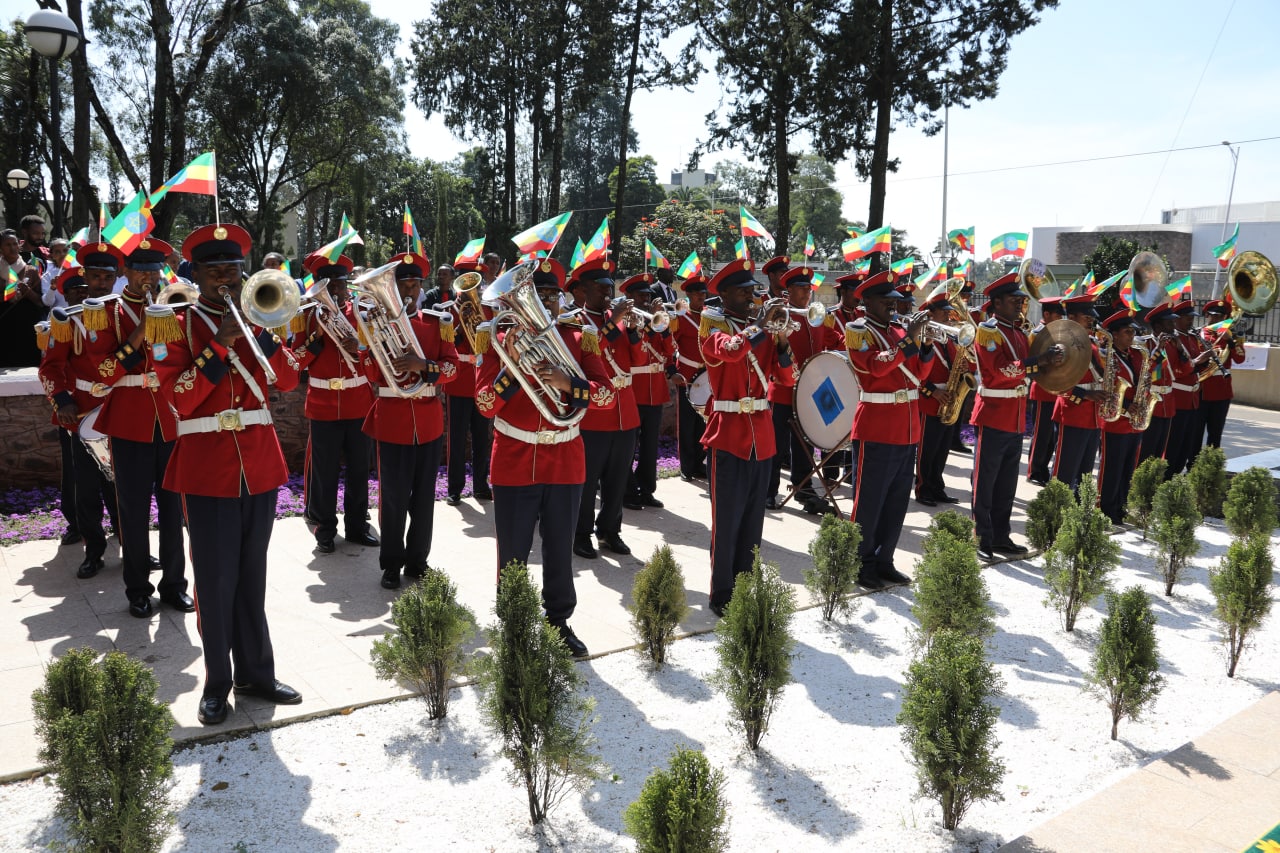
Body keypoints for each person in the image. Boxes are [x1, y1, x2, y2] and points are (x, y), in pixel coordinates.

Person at [154, 223, 305, 726]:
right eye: (215, 269)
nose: (226, 277)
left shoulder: (260, 322)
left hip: (257, 466)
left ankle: (256, 674)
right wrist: (219, 343)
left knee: (252, 579)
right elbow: (178, 398)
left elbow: (286, 380)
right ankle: (217, 681)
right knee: (216, 582)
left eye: (234, 269)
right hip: (206, 470)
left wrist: (262, 331)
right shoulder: (176, 326)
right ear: (195, 273)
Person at [474, 257, 616, 657]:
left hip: (565, 458)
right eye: (539, 295)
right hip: (515, 457)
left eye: (553, 296)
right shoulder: (495, 339)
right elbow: (485, 404)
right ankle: (514, 625)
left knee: (559, 548)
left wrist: (568, 383)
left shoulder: (578, 337)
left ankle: (558, 622)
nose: (548, 303)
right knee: (513, 552)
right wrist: (513, 367)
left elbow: (606, 396)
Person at [95, 237, 193, 617]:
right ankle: (137, 589)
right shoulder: (107, 313)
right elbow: (102, 372)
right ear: (126, 272)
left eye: (155, 270)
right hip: (129, 421)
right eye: (141, 270)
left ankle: (174, 585)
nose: (149, 278)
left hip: (169, 420)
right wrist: (140, 333)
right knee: (133, 512)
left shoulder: (176, 307)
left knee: (173, 510)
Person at [699, 259, 795, 615]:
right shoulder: (712, 325)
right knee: (727, 523)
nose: (750, 295)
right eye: (742, 291)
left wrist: (782, 342)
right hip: (728, 432)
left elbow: (786, 379)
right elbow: (731, 351)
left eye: (751, 290)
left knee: (753, 522)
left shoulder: (765, 331)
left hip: (762, 435)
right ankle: (721, 594)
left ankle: (745, 587)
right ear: (723, 294)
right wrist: (759, 326)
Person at [362, 252, 459, 589]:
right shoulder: (377, 325)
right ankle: (391, 564)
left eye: (413, 283)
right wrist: (374, 347)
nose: (408, 289)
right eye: (401, 283)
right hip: (393, 421)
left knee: (423, 499)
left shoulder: (437, 323)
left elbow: (451, 368)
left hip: (429, 421)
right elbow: (371, 373)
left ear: (421, 286)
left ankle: (418, 562)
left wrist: (423, 366)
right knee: (393, 498)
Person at [39, 252, 124, 578]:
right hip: (84, 413)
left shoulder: (124, 315)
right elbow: (50, 368)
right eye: (95, 277)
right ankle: (94, 552)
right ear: (86, 276)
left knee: (125, 487)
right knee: (86, 488)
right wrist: (63, 401)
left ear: (115, 277)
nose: (101, 283)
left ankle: (132, 547)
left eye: (107, 277)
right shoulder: (68, 319)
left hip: (121, 411)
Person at [845, 270, 931, 588]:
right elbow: (877, 367)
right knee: (869, 501)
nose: (892, 307)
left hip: (907, 426)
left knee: (896, 501)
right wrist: (910, 340)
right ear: (866, 301)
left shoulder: (898, 330)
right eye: (885, 301)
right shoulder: (858, 329)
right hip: (877, 424)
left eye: (894, 301)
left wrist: (925, 347)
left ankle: (884, 560)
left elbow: (920, 373)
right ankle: (860, 563)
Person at [970, 273, 1063, 562]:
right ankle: (980, 538)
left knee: (1007, 483)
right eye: (1015, 301)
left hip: (1015, 415)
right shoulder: (989, 332)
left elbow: (1027, 372)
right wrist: (1037, 361)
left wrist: (1050, 361)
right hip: (994, 413)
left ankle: (1000, 535)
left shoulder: (1019, 332)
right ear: (996, 302)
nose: (1021, 306)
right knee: (985, 482)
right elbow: (1001, 372)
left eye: (1023, 301)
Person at [293, 252, 379, 554]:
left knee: (358, 469)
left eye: (340, 285)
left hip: (357, 401)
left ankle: (357, 526)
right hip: (323, 403)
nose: (335, 291)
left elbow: (377, 356)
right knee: (324, 472)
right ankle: (324, 529)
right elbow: (296, 360)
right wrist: (315, 339)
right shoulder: (304, 314)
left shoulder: (362, 312)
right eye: (328, 286)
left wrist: (360, 347)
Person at [569, 258, 642, 559]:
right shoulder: (576, 322)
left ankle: (610, 530)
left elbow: (637, 361)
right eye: (599, 289)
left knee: (617, 478)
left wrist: (635, 331)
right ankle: (581, 532)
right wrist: (614, 324)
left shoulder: (621, 320)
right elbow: (591, 350)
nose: (606, 294)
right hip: (596, 415)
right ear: (583, 291)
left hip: (625, 410)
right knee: (588, 481)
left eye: (608, 288)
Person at [766, 266, 842, 514]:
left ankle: (805, 490)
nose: (807, 293)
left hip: (809, 392)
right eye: (801, 288)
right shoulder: (781, 315)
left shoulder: (816, 316)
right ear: (788, 291)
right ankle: (768, 492)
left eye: (808, 288)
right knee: (775, 446)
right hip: (783, 390)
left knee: (805, 446)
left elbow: (835, 339)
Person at [428, 261, 493, 505]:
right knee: (456, 438)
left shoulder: (487, 310)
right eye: (466, 283)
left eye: (474, 283)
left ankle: (480, 485)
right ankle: (454, 488)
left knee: (481, 437)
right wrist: (459, 326)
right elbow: (444, 346)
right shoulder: (448, 311)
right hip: (458, 380)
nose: (470, 290)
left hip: (481, 377)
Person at [622, 274, 674, 510]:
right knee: (628, 446)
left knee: (650, 445)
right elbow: (636, 353)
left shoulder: (656, 321)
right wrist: (646, 328)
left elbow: (670, 350)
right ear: (630, 297)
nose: (646, 300)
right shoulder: (625, 322)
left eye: (648, 296)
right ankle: (628, 490)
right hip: (634, 389)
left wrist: (662, 327)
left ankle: (647, 490)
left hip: (655, 390)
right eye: (641, 296)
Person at [914, 287, 966, 506]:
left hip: (948, 398)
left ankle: (937, 487)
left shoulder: (948, 338)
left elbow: (955, 365)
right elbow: (915, 373)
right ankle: (923, 488)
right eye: (943, 312)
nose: (948, 314)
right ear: (930, 314)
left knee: (942, 449)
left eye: (948, 311)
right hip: (930, 399)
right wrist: (933, 392)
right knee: (927, 449)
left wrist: (963, 367)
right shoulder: (920, 338)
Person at [1051, 294, 1106, 492]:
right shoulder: (1061, 343)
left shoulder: (1090, 343)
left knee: (1084, 474)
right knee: (1065, 472)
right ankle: (1055, 515)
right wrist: (1085, 395)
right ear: (1072, 318)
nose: (1091, 321)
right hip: (1072, 413)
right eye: (1086, 317)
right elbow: (1055, 384)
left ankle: (1078, 516)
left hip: (1093, 415)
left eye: (1091, 318)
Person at [1097, 310, 1146, 525]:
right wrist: (1127, 405)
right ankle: (1105, 509)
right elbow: (1107, 386)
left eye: (1133, 332)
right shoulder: (1107, 355)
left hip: (1132, 422)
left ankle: (1121, 505)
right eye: (1127, 332)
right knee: (1112, 468)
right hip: (1115, 419)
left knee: (1128, 468)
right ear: (1114, 334)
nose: (1131, 336)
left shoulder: (1135, 354)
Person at [1162, 300, 1208, 476]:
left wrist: (1205, 362)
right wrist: (1198, 361)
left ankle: (1176, 478)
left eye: (1192, 318)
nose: (1191, 322)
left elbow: (1195, 366)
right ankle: (1167, 481)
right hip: (1179, 398)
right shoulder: (1172, 341)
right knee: (1173, 446)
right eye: (1188, 318)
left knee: (1186, 446)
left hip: (1193, 400)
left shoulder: (1191, 338)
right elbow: (1176, 371)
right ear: (1177, 319)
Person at [671, 273, 709, 481]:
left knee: (703, 422)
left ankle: (699, 463)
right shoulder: (680, 318)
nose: (701, 296)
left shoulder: (710, 316)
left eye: (703, 292)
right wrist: (671, 371)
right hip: (686, 375)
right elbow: (668, 345)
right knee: (687, 423)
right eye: (696, 293)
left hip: (707, 375)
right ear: (689, 295)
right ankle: (686, 467)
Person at [1025, 296, 1066, 485]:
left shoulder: (1059, 332)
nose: (1061, 319)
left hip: (1057, 390)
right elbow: (1030, 363)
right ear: (1047, 314)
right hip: (1042, 389)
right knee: (1042, 434)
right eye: (1058, 315)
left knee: (1052, 436)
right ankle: (1034, 470)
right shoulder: (1036, 333)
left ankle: (1043, 469)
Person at [1197, 299, 1245, 450]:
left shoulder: (1232, 336)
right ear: (1207, 316)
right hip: (1201, 390)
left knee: (1215, 433)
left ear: (1225, 318)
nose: (1216, 319)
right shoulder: (1198, 334)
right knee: (1195, 434)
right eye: (1213, 316)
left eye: (1220, 316)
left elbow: (1240, 358)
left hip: (1221, 392)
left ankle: (1211, 465)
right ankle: (1192, 466)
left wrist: (1229, 340)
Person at [1138, 303, 1177, 464]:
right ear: (1158, 325)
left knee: (1160, 451)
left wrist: (1180, 349)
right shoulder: (1144, 344)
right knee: (1147, 450)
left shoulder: (1173, 345)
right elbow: (1146, 373)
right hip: (1151, 404)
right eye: (1169, 323)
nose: (1173, 326)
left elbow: (1184, 370)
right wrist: (1158, 349)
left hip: (1167, 403)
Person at [0, 228, 45, 367]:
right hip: (4, 325)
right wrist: (7, 296)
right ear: (0, 248)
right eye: (8, 245)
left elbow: (40, 302)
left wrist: (28, 292)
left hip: (27, 326)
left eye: (15, 244)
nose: (12, 248)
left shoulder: (30, 270)